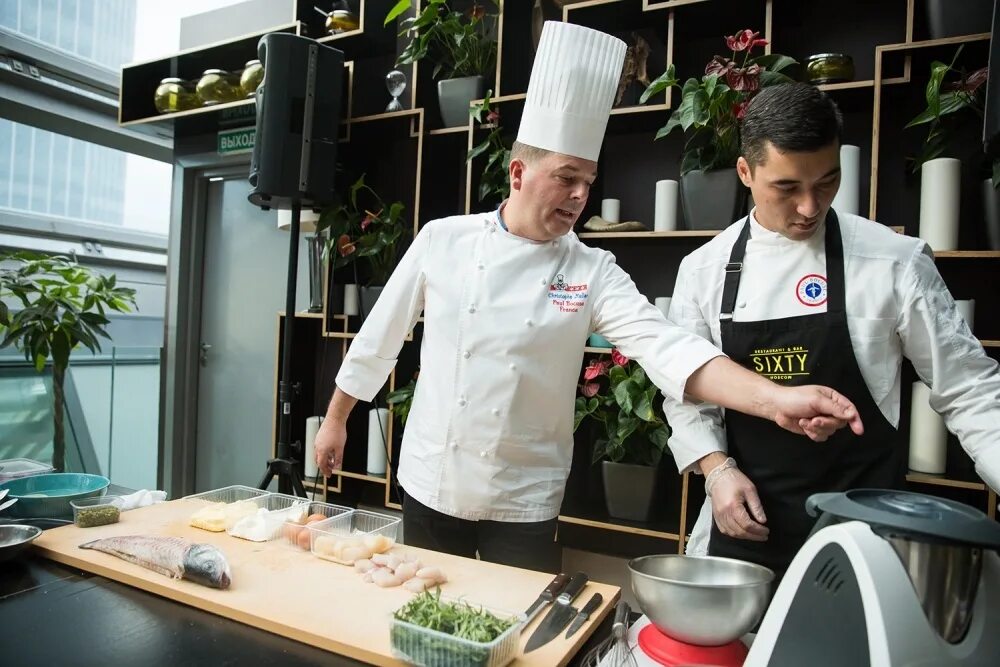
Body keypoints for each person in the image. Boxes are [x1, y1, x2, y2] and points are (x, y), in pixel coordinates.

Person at [314, 25, 863, 574]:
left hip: (524, 498)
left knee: (511, 628)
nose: (581, 195)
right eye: (567, 178)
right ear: (519, 173)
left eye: (589, 180)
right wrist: (336, 419)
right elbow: (379, 337)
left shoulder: (591, 270)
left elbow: (666, 346)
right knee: (425, 614)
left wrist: (775, 399)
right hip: (433, 478)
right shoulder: (445, 240)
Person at [665, 82, 1000, 580]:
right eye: (787, 188)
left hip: (863, 535)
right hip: (744, 534)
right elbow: (687, 390)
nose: (809, 207)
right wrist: (717, 471)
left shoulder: (893, 262)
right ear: (745, 173)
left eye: (826, 182)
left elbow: (970, 390)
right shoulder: (703, 270)